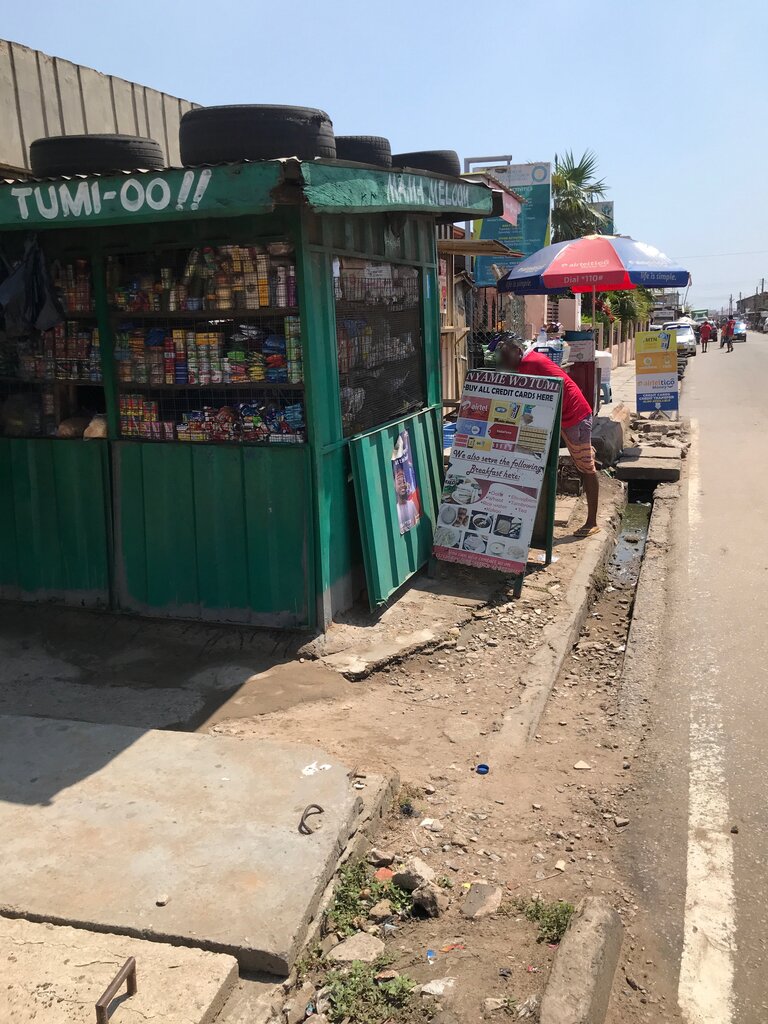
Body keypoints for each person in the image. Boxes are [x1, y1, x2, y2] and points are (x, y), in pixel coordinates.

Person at [496, 335, 600, 537]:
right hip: (566, 416)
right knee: (581, 465)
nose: (505, 364)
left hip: (574, 417)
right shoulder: (528, 361)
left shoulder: (528, 364)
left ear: (517, 353)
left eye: (507, 358)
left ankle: (592, 522)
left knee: (586, 467)